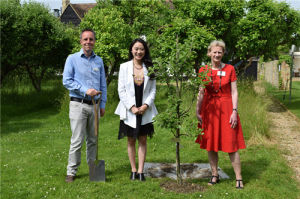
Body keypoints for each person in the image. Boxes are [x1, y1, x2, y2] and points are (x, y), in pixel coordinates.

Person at [195, 40, 246, 189]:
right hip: (209, 109)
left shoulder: (230, 69)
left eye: (220, 52)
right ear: (209, 53)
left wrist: (235, 111)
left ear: (223, 53)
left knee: (231, 144)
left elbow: (234, 91)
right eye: (214, 52)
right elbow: (201, 91)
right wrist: (198, 110)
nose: (217, 55)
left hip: (227, 108)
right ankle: (214, 174)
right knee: (211, 145)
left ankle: (238, 177)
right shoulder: (203, 70)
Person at [63, 28, 107, 183]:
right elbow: (66, 81)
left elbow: (103, 84)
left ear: (94, 41)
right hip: (78, 105)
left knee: (93, 140)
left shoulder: (99, 61)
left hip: (95, 106)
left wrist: (103, 104)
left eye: (91, 39)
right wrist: (85, 90)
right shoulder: (72, 59)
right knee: (77, 140)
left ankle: (93, 171)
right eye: (85, 39)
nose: (88, 42)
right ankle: (71, 172)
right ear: (81, 41)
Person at [115, 38, 158, 181]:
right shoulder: (124, 67)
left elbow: (152, 90)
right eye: (136, 49)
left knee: (143, 140)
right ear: (131, 50)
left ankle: (141, 171)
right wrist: (131, 107)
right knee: (131, 140)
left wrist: (146, 105)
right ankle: (133, 170)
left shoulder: (151, 67)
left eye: (142, 49)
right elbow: (121, 90)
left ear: (145, 51)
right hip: (129, 110)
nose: (139, 51)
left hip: (145, 108)